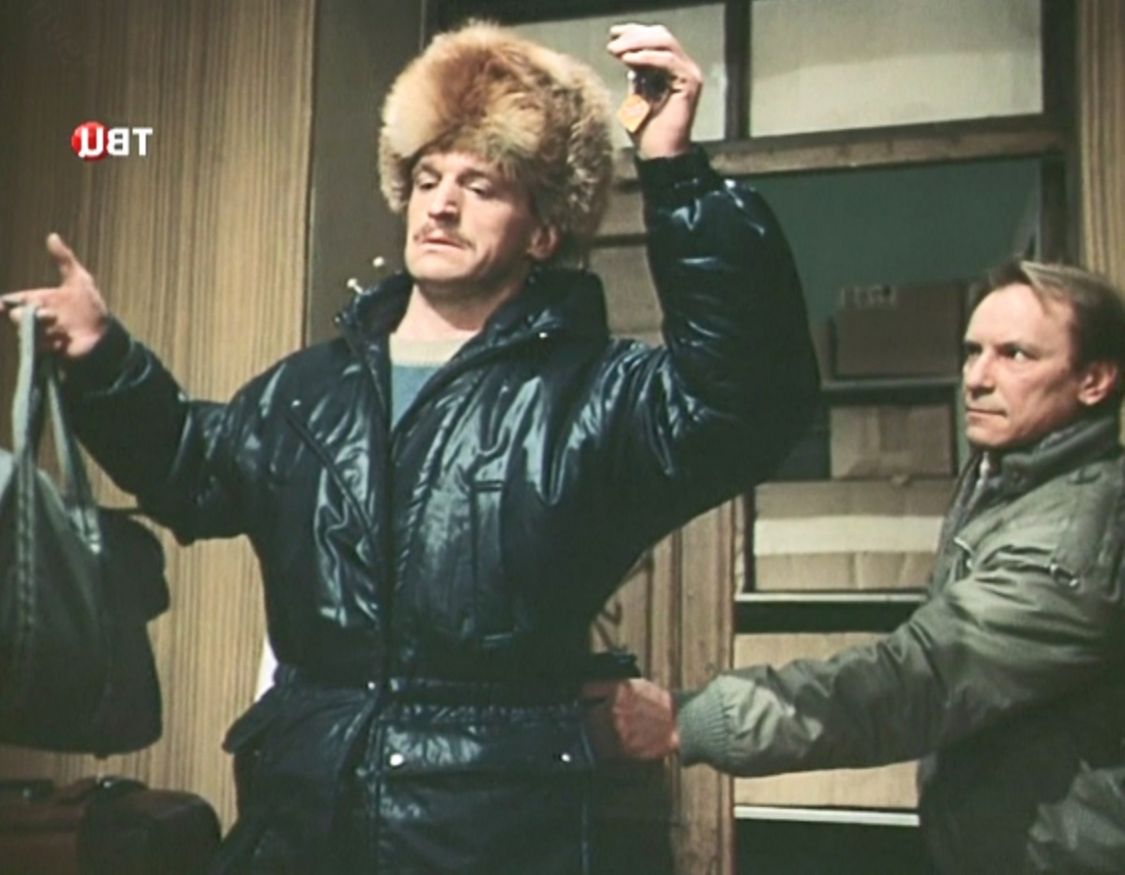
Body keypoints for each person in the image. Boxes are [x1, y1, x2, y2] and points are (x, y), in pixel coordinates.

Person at [1, 20, 817, 875]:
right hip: (300, 822)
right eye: (428, 178)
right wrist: (104, 356)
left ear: (543, 231)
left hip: (492, 833)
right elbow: (191, 470)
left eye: (480, 183)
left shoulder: (593, 397)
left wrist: (674, 172)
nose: (442, 203)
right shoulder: (309, 389)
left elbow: (742, 404)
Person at [594, 260, 1125, 874]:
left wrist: (691, 719)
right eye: (972, 351)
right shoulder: (1013, 478)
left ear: (1094, 381)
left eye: (1016, 355)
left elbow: (916, 681)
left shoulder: (1074, 535)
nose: (977, 379)